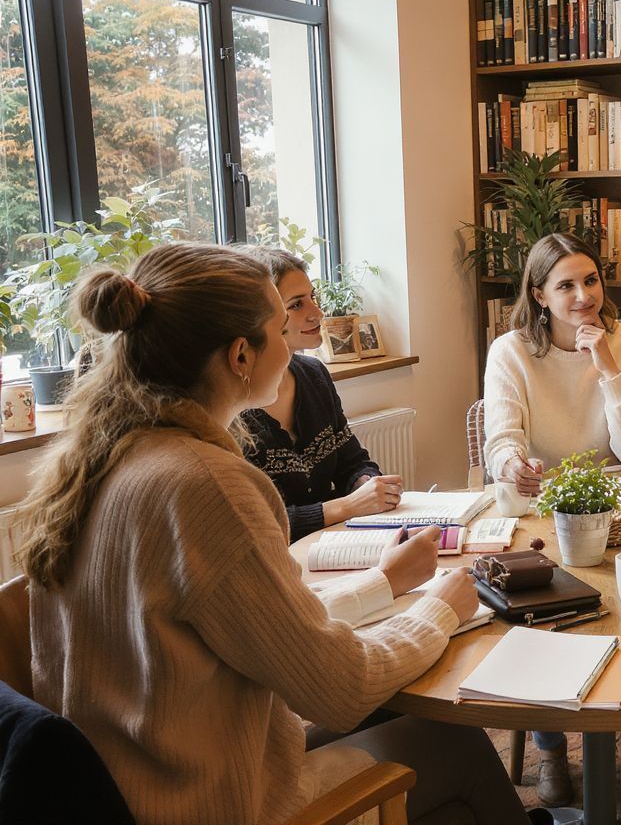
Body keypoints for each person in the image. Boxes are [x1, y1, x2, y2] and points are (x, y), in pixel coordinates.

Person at [14, 243, 536, 825]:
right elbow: (341, 687)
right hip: (216, 802)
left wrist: (382, 583)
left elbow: (257, 624)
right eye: (279, 328)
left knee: (401, 722)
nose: (292, 342)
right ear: (241, 355)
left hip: (131, 783)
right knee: (452, 743)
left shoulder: (102, 458)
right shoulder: (207, 485)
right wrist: (439, 610)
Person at [483, 232, 621, 813]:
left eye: (590, 281)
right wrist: (513, 466)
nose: (583, 296)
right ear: (539, 295)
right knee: (537, 612)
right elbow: (501, 439)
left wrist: (607, 367)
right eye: (565, 285)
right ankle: (550, 749)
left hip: (617, 503)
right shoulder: (511, 351)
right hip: (544, 503)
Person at [240, 246, 404, 541]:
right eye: (296, 305)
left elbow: (352, 461)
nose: (317, 312)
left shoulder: (314, 374)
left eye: (313, 297)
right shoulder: (232, 407)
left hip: (334, 544)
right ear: (261, 318)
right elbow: (255, 524)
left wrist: (366, 483)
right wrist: (348, 506)